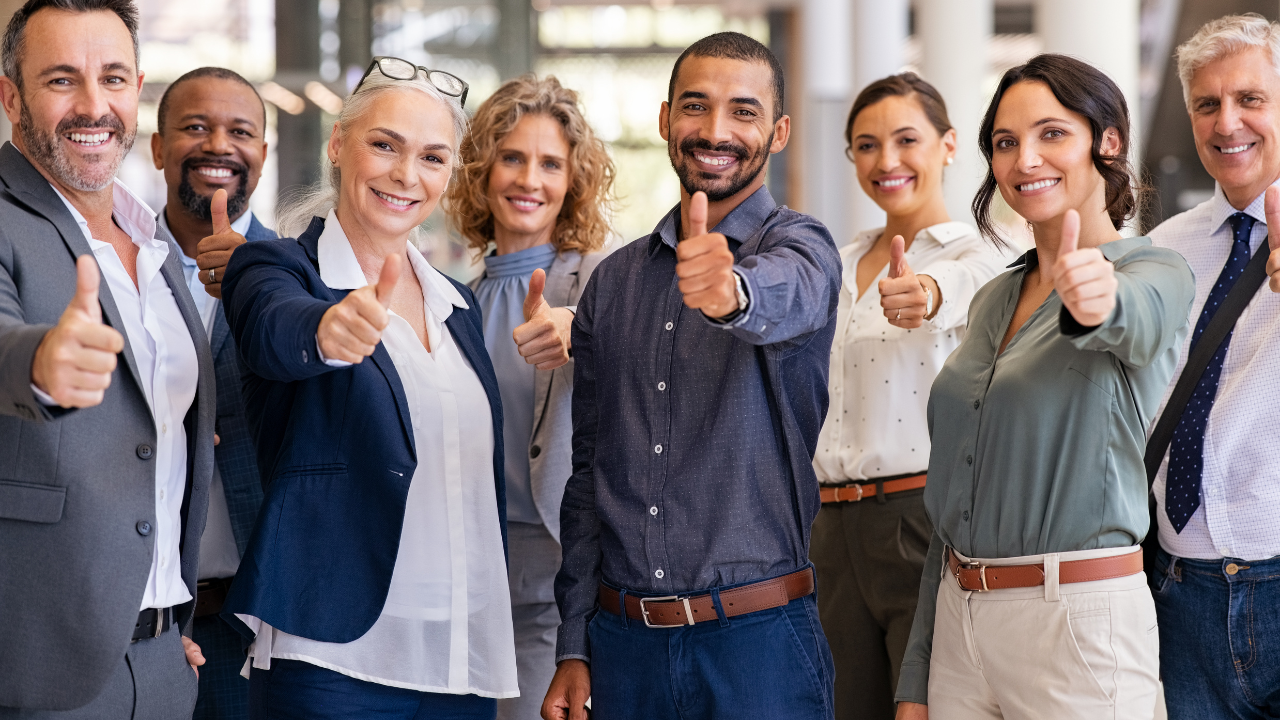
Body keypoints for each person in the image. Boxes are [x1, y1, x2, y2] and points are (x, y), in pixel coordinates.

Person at [542, 32, 843, 720]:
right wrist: (573, 646)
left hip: (757, 648)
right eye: (695, 106)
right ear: (664, 119)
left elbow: (788, 293)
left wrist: (731, 291)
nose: (715, 131)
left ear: (778, 132)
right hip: (623, 652)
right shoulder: (612, 284)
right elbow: (587, 476)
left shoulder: (802, 247)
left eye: (743, 111)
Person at [894, 54, 1194, 720]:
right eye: (1006, 143)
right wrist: (918, 672)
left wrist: (1097, 298)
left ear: (1106, 142)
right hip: (959, 619)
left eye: (1052, 133)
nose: (1025, 158)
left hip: (1076, 625)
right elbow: (952, 505)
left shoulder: (1155, 270)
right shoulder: (994, 298)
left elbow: (1136, 324)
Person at [219, 57, 517, 719]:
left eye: (432, 157)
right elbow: (273, 327)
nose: (406, 175)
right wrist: (326, 328)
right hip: (332, 657)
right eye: (384, 145)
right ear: (338, 144)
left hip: (455, 656)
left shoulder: (456, 305)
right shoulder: (280, 268)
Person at [0, 1, 214, 718]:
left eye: (113, 78)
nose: (94, 106)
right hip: (28, 670)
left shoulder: (152, 239)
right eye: (62, 80)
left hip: (160, 660)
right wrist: (40, 362)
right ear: (11, 96)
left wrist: (164, 619)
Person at [811, 72, 1008, 720]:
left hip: (918, 520)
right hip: (828, 529)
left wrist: (922, 291)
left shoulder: (985, 254)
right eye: (866, 145)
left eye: (906, 139)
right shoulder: (834, 261)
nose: (886, 161)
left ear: (949, 145)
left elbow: (952, 286)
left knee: (923, 705)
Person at [447, 74, 615, 720]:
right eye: (512, 157)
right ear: (484, 169)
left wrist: (583, 332)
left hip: (555, 575)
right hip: (463, 566)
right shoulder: (456, 298)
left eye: (550, 163)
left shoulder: (600, 281)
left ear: (573, 180)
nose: (529, 179)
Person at [1145, 14, 1280, 719]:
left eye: (1250, 99)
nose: (1228, 122)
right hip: (1179, 587)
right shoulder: (1167, 249)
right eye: (1207, 103)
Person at [149, 65, 276, 720]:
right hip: (133, 623)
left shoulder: (302, 279)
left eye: (240, 131)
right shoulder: (116, 264)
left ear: (263, 152)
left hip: (254, 625)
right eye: (194, 127)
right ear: (156, 146)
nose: (217, 145)